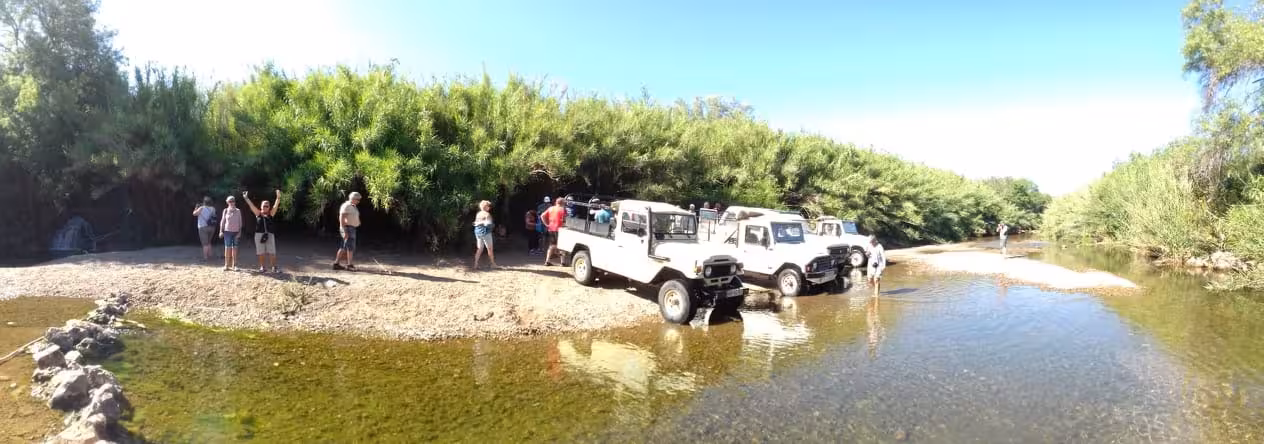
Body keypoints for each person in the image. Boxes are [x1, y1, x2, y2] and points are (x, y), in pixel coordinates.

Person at [243, 190, 282, 273]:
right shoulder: (258, 214)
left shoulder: (271, 214)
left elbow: (276, 205)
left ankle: (274, 268)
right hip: (259, 235)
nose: (265, 207)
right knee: (261, 252)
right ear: (261, 206)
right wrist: (246, 198)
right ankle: (262, 267)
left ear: (269, 207)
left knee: (272, 252)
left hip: (270, 235)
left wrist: (278, 197)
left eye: (267, 206)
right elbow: (251, 205)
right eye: (264, 206)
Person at [333, 192, 362, 271]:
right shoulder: (347, 206)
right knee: (349, 247)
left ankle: (337, 264)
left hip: (351, 228)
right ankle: (349, 265)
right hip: (348, 228)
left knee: (345, 247)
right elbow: (341, 218)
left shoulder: (353, 206)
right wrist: (344, 230)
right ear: (353, 199)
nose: (359, 201)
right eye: (357, 199)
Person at [471, 200, 499, 269]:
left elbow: (476, 223)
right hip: (486, 233)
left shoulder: (478, 214)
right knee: (490, 249)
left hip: (478, 232)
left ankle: (475, 264)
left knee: (479, 249)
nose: (489, 207)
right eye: (488, 206)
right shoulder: (487, 214)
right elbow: (489, 225)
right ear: (485, 207)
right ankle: (493, 264)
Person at [218, 195, 243, 271]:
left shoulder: (238, 211)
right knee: (227, 248)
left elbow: (240, 222)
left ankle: (234, 265)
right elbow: (222, 221)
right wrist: (220, 231)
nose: (232, 202)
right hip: (227, 232)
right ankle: (226, 265)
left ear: (235, 202)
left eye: (233, 201)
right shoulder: (225, 210)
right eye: (230, 201)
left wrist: (239, 232)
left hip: (236, 232)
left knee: (235, 248)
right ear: (227, 202)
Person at [541, 197, 567, 266]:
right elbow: (565, 219)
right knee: (562, 246)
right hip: (560, 229)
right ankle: (563, 262)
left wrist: (546, 224)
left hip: (551, 229)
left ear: (556, 202)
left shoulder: (551, 208)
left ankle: (547, 261)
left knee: (552, 245)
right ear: (562, 203)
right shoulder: (563, 209)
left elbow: (542, 215)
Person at [193, 196, 217, 261]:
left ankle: (205, 257)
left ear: (204, 202)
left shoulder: (201, 208)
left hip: (203, 227)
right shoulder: (213, 208)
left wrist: (196, 207)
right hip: (212, 227)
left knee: (205, 244)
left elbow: (194, 214)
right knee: (209, 242)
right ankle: (210, 255)